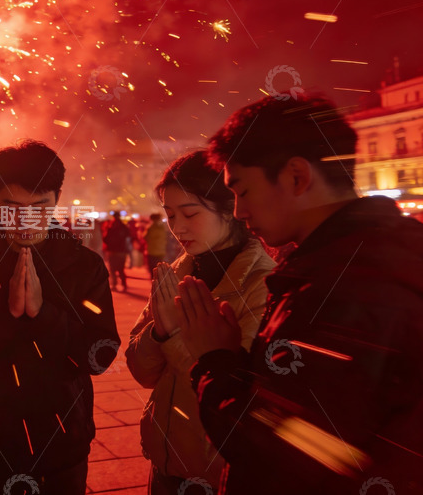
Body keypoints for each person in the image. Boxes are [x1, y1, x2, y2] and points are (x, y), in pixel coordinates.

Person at [177, 94, 423, 494]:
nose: (239, 211)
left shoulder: (344, 287)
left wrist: (215, 362)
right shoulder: (377, 255)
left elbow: (279, 453)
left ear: (296, 177)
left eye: (242, 190)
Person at [0, 140, 119, 495]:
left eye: (39, 206)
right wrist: (6, 318)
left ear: (57, 199)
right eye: (11, 207)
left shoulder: (84, 266)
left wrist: (43, 314)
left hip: (62, 442)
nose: (25, 220)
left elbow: (100, 355)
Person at [125, 150, 275, 494]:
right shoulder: (177, 273)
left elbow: (229, 387)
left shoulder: (261, 284)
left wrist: (173, 334)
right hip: (164, 460)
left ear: (230, 208)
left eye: (190, 213)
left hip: (216, 469)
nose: (177, 228)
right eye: (170, 215)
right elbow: (142, 372)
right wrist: (158, 332)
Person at [103, 211, 130, 291]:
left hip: (112, 251)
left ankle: (114, 284)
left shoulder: (111, 226)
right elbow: (128, 238)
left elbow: (105, 238)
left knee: (112, 269)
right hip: (122, 251)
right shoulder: (124, 227)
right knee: (121, 269)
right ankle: (124, 285)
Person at [143, 213, 167, 279]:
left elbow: (145, 237)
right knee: (159, 267)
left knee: (152, 268)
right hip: (161, 251)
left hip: (152, 251)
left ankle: (153, 280)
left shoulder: (150, 227)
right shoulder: (163, 228)